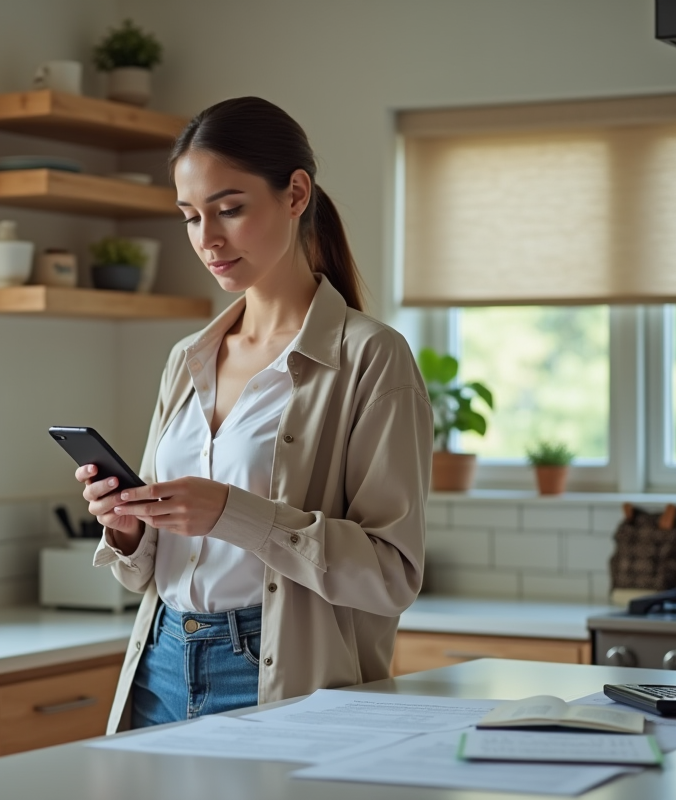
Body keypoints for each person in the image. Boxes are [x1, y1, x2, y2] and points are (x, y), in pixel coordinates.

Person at [76, 96, 431, 733]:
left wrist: (232, 514)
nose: (207, 239)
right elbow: (149, 570)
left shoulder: (372, 357)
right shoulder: (188, 358)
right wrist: (127, 525)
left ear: (296, 194)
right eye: (190, 217)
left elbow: (391, 575)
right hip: (158, 663)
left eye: (230, 209)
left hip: (278, 678)